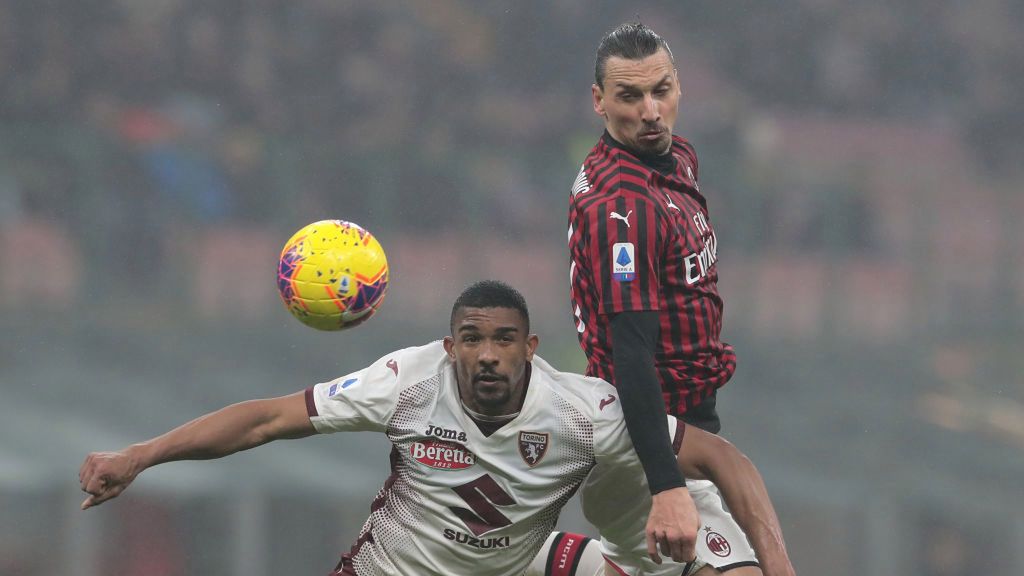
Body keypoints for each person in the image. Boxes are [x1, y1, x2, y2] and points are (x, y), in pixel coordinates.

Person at [80, 280, 792, 576]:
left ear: (530, 348)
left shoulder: (583, 409)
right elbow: (267, 419)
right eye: (472, 339)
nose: (487, 354)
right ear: (449, 346)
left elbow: (724, 458)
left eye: (504, 340)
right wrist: (141, 456)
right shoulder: (407, 382)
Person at [566, 22, 743, 570]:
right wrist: (667, 487)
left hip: (686, 435)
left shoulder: (676, 158)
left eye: (660, 90)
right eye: (629, 96)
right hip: (646, 449)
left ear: (679, 87)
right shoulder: (624, 206)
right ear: (598, 101)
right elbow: (632, 351)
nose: (649, 111)